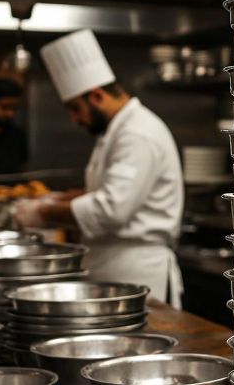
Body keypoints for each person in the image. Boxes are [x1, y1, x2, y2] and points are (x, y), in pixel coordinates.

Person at [14, 30, 186, 308]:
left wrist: (42, 212)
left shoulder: (137, 134)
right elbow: (102, 192)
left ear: (96, 96)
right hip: (114, 269)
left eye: (74, 108)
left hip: (137, 275)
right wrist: (58, 199)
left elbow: (111, 209)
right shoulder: (116, 132)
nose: (74, 119)